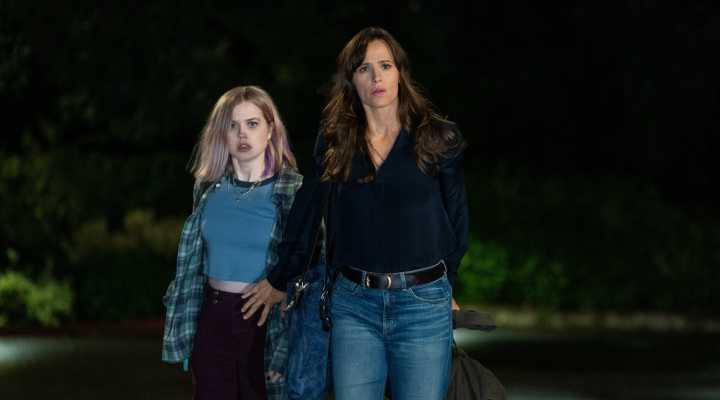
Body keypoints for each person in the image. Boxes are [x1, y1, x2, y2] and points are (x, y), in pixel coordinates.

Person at [243, 26, 469, 400]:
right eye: (364, 68)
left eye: (385, 65)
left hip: (422, 306)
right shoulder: (335, 141)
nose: (376, 77)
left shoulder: (436, 137)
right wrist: (281, 277)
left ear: (400, 73)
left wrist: (447, 284)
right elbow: (306, 210)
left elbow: (457, 219)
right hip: (353, 306)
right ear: (351, 80)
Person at [161, 85, 303, 400]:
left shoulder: (293, 191)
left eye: (252, 123)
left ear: (270, 130)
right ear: (221, 134)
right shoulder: (207, 189)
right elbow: (192, 268)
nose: (242, 134)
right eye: (233, 125)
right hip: (214, 317)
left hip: (266, 318)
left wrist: (284, 295)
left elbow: (313, 262)